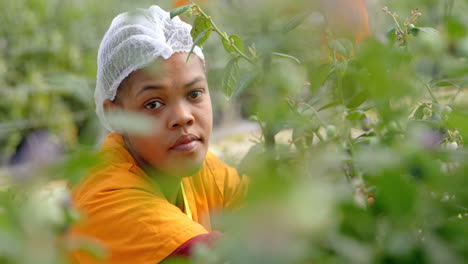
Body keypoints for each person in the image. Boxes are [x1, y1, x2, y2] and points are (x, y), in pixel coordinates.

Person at [70, 5, 248, 264]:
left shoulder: (203, 172)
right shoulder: (106, 197)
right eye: (153, 104)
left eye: (194, 94)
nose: (182, 116)